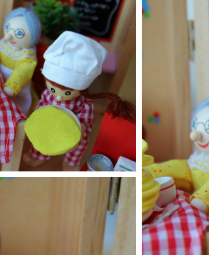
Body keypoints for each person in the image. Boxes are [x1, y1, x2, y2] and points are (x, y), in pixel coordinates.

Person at [24, 31, 134, 170]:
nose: (58, 97)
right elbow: (40, 108)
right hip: (50, 127)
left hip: (73, 133)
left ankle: (70, 163)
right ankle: (38, 156)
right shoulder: (47, 94)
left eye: (67, 92)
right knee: (44, 140)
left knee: (77, 150)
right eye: (53, 89)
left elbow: (85, 125)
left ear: (81, 90)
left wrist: (78, 135)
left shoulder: (84, 105)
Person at [145, 94, 209, 224]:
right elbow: (181, 169)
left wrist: (203, 200)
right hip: (200, 215)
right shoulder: (199, 161)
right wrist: (152, 172)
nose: (194, 135)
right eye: (195, 124)